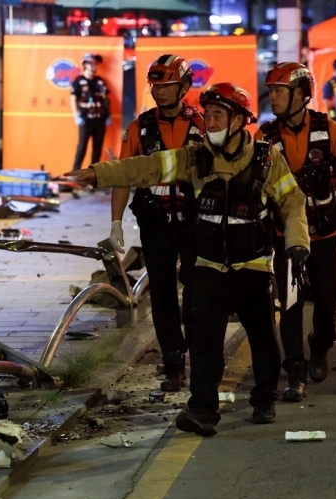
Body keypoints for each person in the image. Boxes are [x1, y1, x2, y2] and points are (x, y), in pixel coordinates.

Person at [67, 82, 310, 436]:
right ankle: (202, 410)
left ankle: (263, 398)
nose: (209, 121)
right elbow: (146, 168)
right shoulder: (195, 156)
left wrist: (297, 244)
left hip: (253, 266)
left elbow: (293, 204)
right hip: (209, 267)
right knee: (204, 341)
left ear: (239, 120)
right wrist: (99, 174)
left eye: (217, 115)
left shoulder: (267, 158)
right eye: (208, 114)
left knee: (262, 339)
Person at [259, 62, 336, 402]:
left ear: (301, 94)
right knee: (290, 305)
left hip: (326, 235)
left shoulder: (331, 129)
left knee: (327, 306)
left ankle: (320, 345)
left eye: (280, 91)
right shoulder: (264, 137)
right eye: (272, 92)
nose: (274, 98)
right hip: (287, 239)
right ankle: (295, 372)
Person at [109, 55, 204, 392]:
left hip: (195, 223)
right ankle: (174, 362)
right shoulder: (139, 128)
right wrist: (115, 222)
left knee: (198, 291)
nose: (159, 92)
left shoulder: (204, 125)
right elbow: (122, 176)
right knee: (162, 294)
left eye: (166, 86)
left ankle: (201, 358)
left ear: (183, 86)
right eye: (155, 86)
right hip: (155, 224)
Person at [70, 53, 111, 171]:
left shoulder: (100, 81)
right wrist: (76, 115)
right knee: (82, 147)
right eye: (93, 63)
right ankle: (75, 172)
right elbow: (73, 98)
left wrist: (108, 115)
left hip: (100, 120)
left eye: (96, 64)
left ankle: (93, 174)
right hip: (85, 119)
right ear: (85, 64)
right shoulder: (78, 81)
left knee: (97, 148)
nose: (95, 66)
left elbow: (105, 99)